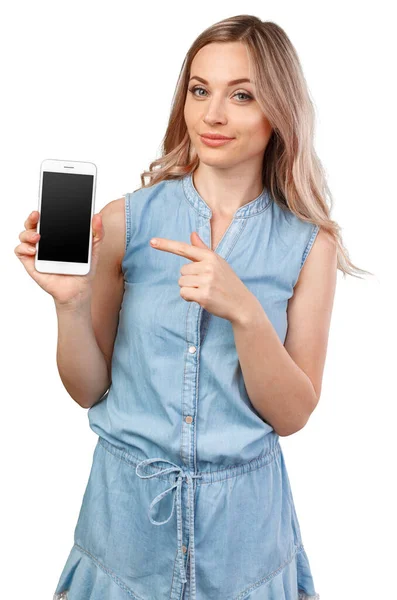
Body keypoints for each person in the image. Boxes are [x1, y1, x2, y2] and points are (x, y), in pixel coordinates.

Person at [16, 15, 371, 600]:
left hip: (244, 545)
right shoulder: (123, 221)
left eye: (242, 95)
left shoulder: (309, 244)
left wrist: (246, 313)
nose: (213, 115)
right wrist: (71, 307)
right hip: (125, 535)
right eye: (200, 90)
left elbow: (293, 414)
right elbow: (88, 388)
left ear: (277, 111)